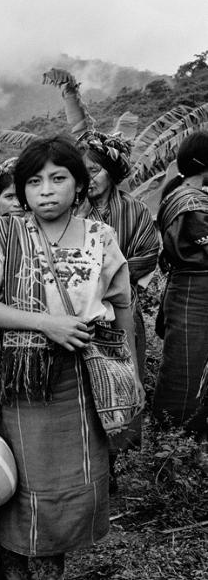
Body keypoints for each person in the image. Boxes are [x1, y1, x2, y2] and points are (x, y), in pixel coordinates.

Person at [0, 136, 136, 580]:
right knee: (19, 483)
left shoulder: (99, 238)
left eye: (59, 178)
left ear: (80, 184)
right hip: (23, 379)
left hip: (83, 375)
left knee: (70, 483)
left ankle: (50, 577)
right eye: (34, 182)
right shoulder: (6, 235)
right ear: (22, 192)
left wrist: (127, 369)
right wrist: (47, 323)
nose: (46, 190)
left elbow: (122, 303)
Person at [76, 130, 159, 450]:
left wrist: (108, 275)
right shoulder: (72, 211)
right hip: (83, 314)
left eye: (94, 170)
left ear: (112, 172)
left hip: (123, 309)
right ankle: (94, 454)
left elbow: (148, 253)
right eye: (83, 172)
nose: (89, 179)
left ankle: (122, 452)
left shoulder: (135, 210)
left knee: (125, 374)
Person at [152, 131, 208, 427]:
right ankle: (172, 436)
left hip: (193, 293)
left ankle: (191, 434)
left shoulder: (187, 197)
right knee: (185, 367)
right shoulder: (190, 204)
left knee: (196, 364)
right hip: (193, 295)